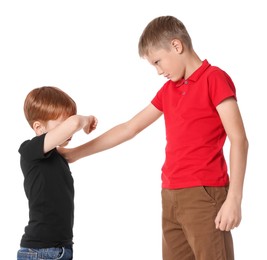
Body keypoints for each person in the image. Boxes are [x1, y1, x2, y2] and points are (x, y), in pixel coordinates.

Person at [59, 16, 248, 260]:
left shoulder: (214, 79)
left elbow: (239, 139)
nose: (159, 71)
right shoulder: (169, 90)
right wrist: (75, 153)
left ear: (176, 46)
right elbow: (130, 128)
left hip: (204, 194)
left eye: (158, 62)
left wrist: (234, 198)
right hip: (170, 195)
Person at [17, 86, 98, 260]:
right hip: (40, 251)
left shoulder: (58, 156)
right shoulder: (30, 150)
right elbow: (75, 123)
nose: (70, 131)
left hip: (61, 247)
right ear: (38, 127)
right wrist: (86, 120)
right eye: (63, 125)